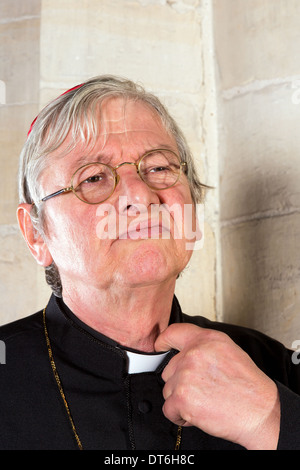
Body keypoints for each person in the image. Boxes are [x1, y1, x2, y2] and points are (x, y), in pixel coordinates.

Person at [1, 75, 300, 451]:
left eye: (158, 168)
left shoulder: (272, 366)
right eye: (93, 177)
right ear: (36, 235)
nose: (141, 196)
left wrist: (271, 421)